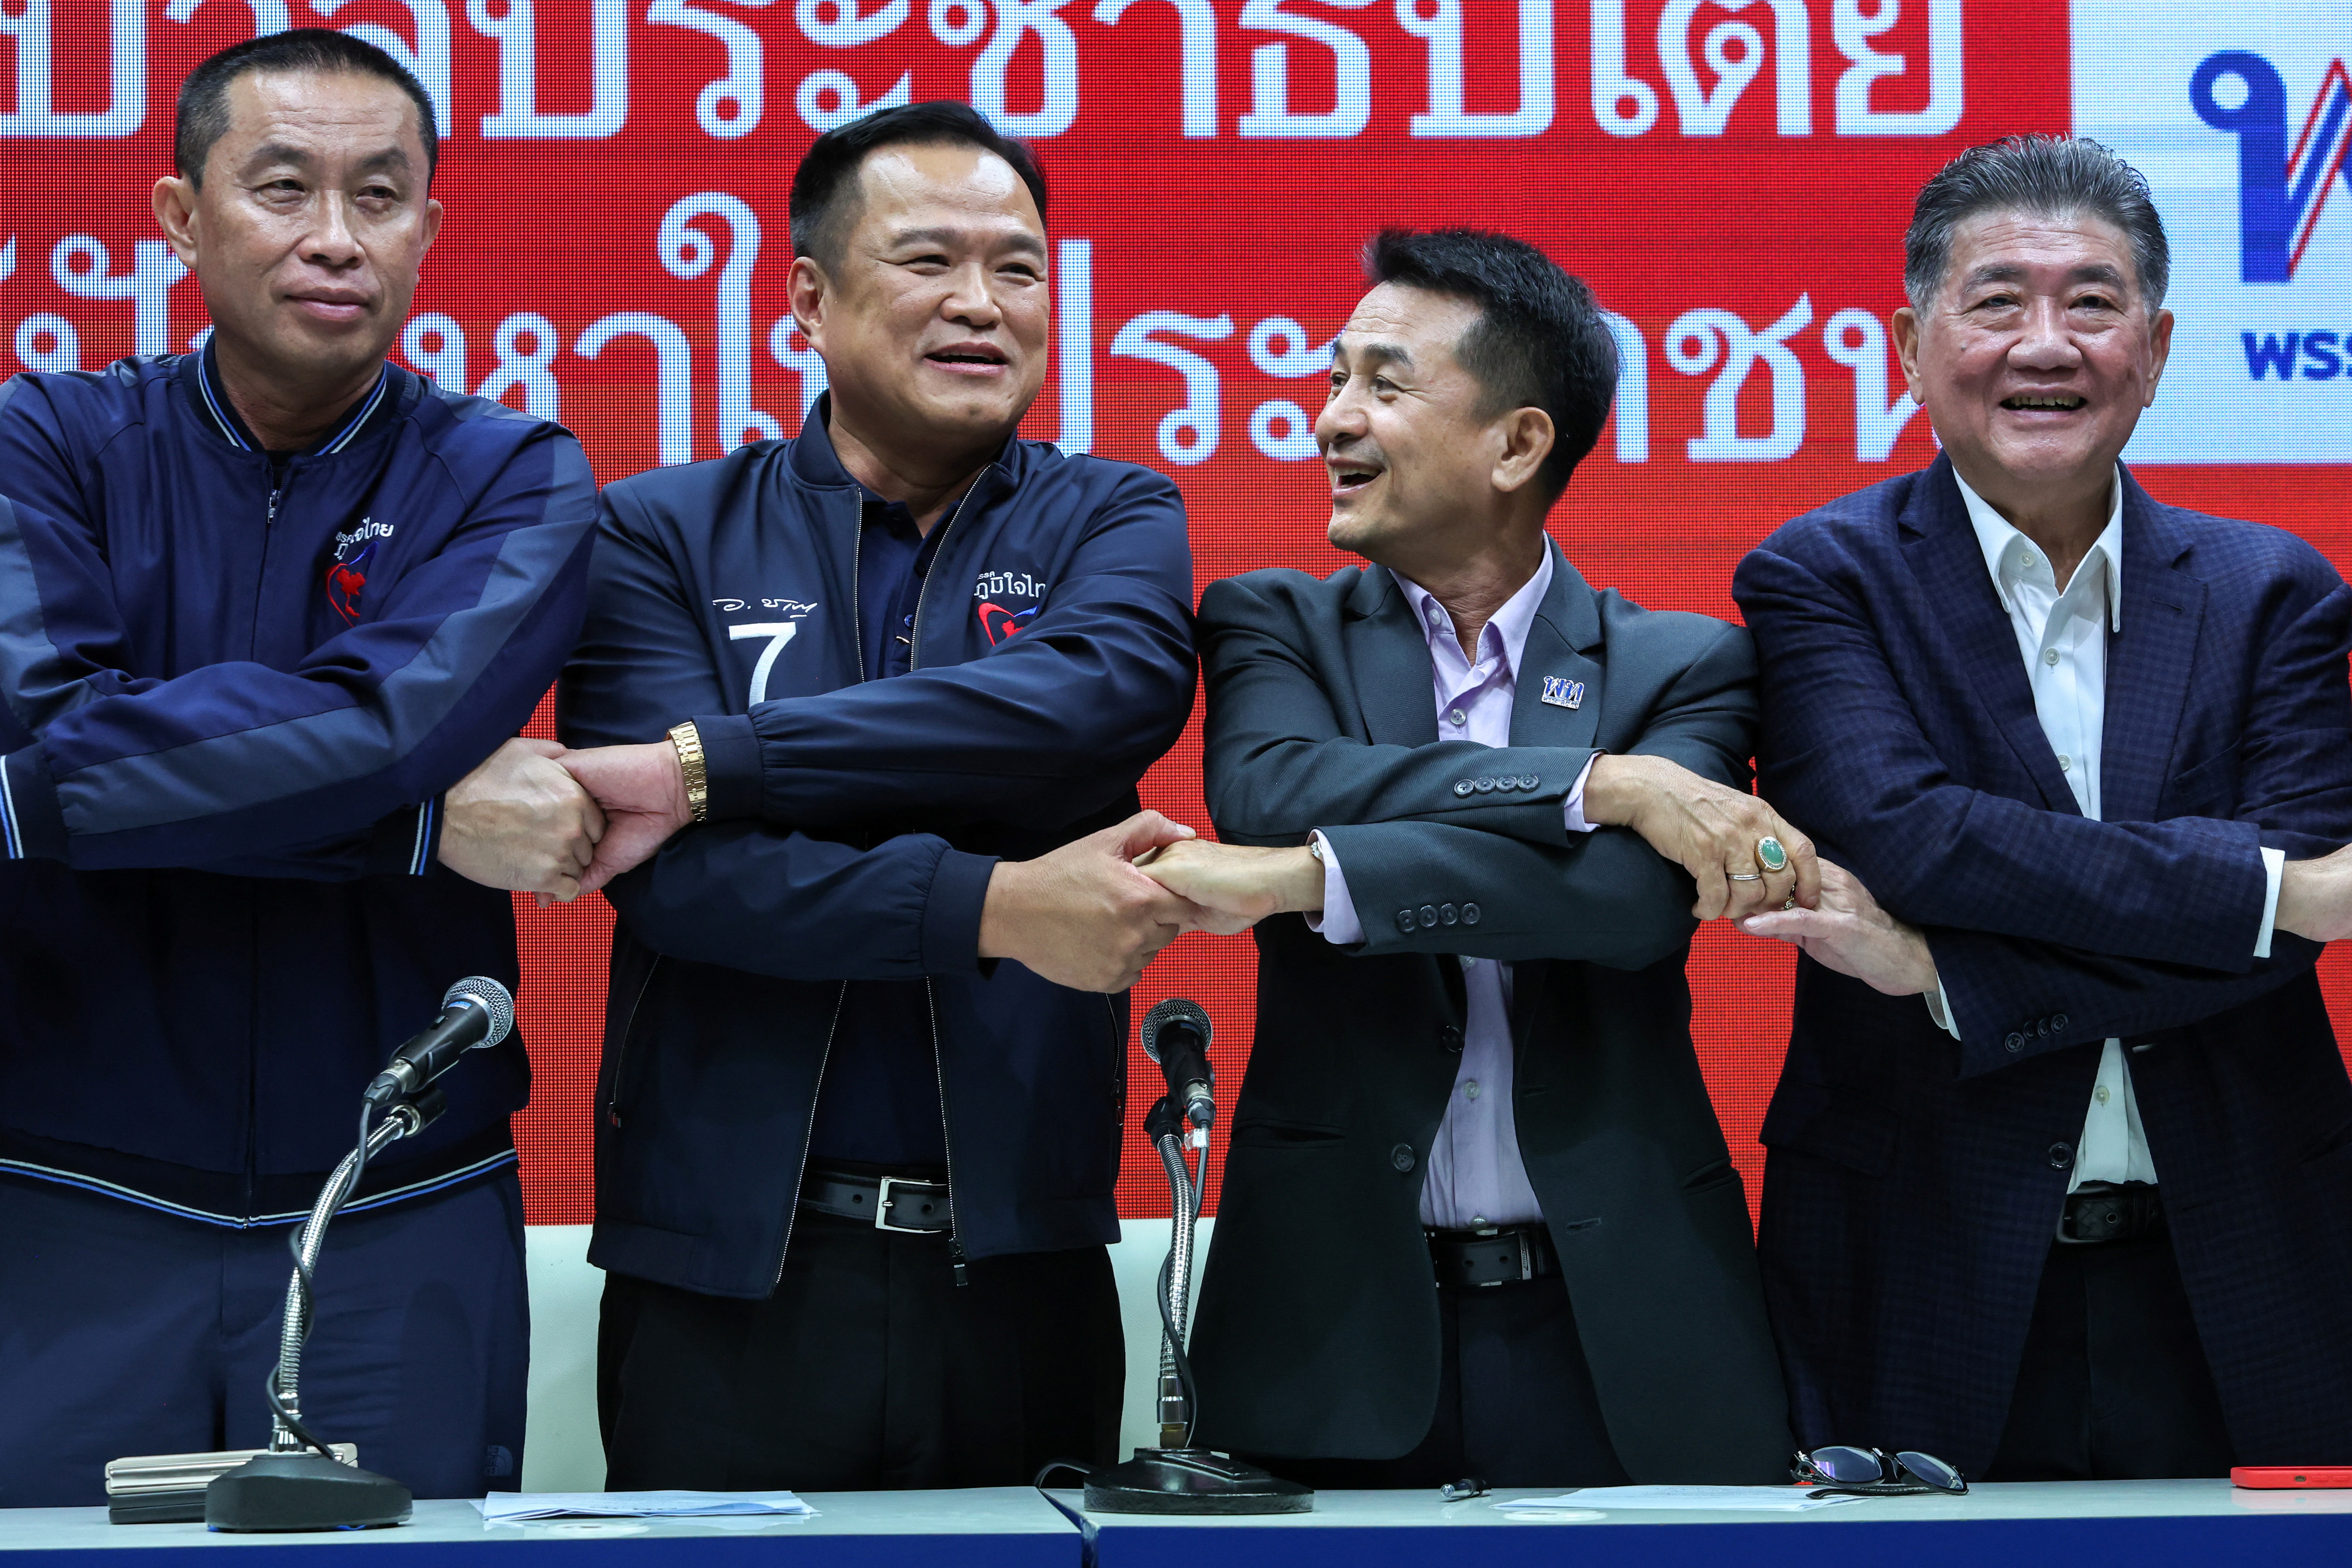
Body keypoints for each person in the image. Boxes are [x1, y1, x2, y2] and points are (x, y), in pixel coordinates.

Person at [555, 101, 1199, 1491]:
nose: (983, 303)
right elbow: (684, 883)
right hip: (724, 1278)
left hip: (1024, 1269)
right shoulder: (657, 530)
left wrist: (727, 762)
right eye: (929, 262)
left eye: (1021, 269)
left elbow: (1097, 698)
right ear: (810, 295)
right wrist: (1002, 901)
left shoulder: (1113, 514)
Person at [0, 32, 602, 1505]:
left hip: (402, 1202)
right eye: (282, 188)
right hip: (67, 1184)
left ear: (431, 229)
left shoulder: (515, 472)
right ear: (180, 215)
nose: (336, 236)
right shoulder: (43, 440)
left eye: (380, 195)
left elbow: (387, 730)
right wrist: (414, 832)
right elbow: (46, 752)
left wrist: (100, 774)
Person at [1139, 230, 1806, 1487]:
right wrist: (1597, 783)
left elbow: (1627, 902)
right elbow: (1274, 789)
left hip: (1627, 1330)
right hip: (1328, 1333)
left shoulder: (1684, 661)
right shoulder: (1271, 619)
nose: (1333, 418)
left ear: (1517, 444)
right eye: (1333, 379)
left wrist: (1312, 881)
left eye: (1383, 385)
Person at [1735, 135, 2352, 1481]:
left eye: (2093, 301)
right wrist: (2255, 891)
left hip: (2254, 1255)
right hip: (1918, 1252)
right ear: (1909, 342)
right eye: (1998, 299)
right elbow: (1910, 836)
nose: (2048, 343)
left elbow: (2297, 936)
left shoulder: (2275, 592)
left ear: (2160, 342)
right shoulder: (1819, 579)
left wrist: (1943, 971)